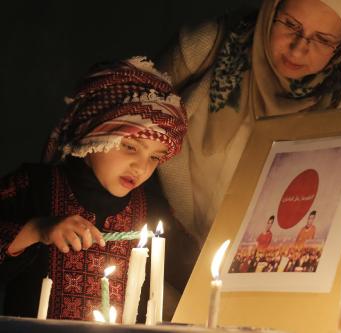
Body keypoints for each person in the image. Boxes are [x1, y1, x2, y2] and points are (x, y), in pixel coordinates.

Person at [156, 0, 341, 243]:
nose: (297, 49)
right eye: (291, 25)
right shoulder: (206, 46)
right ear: (272, 10)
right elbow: (135, 122)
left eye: (323, 40)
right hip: (170, 240)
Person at [0, 57, 198, 322]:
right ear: (93, 132)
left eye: (155, 157)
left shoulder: (153, 211)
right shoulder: (33, 187)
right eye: (130, 147)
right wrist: (38, 230)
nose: (141, 167)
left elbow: (195, 274)